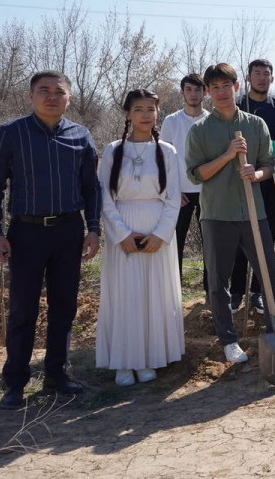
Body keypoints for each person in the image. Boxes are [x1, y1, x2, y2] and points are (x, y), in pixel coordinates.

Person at [0, 70, 102, 410]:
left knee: (64, 307)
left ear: (69, 98)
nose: (51, 97)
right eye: (43, 90)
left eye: (58, 92)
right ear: (31, 96)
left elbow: (92, 187)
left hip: (68, 231)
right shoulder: (12, 133)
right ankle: (15, 383)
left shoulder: (81, 136)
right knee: (23, 309)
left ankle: (56, 374)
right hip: (26, 233)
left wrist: (93, 228)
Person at [184, 63, 275, 364]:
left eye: (226, 86)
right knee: (218, 281)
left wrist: (257, 173)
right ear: (208, 92)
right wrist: (228, 155)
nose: (221, 92)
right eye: (214, 87)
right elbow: (195, 175)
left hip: (254, 214)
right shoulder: (200, 130)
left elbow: (269, 165)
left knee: (270, 274)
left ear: (236, 87)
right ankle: (228, 340)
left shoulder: (256, 124)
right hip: (217, 215)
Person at [96, 89, 185, 386]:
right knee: (126, 295)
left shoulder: (167, 152)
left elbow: (173, 197)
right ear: (128, 114)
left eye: (151, 109)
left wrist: (160, 235)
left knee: (154, 295)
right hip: (123, 228)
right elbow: (104, 197)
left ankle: (149, 357)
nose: (145, 115)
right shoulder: (113, 151)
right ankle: (124, 362)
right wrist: (121, 234)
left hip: (157, 229)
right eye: (138, 109)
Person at [232, 58, 275, 315]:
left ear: (272, 78)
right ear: (248, 77)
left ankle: (257, 291)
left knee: (265, 237)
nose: (262, 78)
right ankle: (236, 291)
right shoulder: (236, 107)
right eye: (257, 73)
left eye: (266, 74)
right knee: (239, 237)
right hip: (238, 181)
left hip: (268, 182)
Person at [161, 73, 210, 290]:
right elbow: (164, 158)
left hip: (207, 190)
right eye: (188, 89)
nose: (193, 94)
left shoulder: (212, 120)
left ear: (205, 92)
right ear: (182, 92)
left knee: (210, 243)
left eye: (197, 90)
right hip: (179, 192)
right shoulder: (171, 121)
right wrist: (172, 190)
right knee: (175, 242)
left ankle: (211, 289)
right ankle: (174, 290)